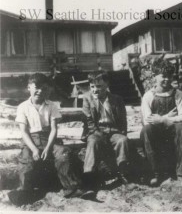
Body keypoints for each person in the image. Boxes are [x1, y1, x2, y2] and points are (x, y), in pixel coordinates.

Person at [12, 73, 90, 205]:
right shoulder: (23, 107)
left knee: (64, 153)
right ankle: (24, 191)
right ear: (28, 88)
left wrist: (48, 148)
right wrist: (34, 150)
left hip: (49, 139)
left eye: (43, 88)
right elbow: (24, 132)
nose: (40, 91)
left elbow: (54, 129)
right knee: (26, 160)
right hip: (30, 140)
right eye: (36, 87)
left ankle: (72, 188)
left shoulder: (51, 105)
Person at [140, 58, 182, 187]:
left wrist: (164, 119)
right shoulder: (148, 96)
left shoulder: (177, 94)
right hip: (156, 131)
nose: (167, 79)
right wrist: (167, 117)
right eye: (163, 76)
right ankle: (155, 174)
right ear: (154, 77)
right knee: (146, 129)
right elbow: (148, 119)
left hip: (173, 130)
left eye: (170, 76)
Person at [82, 71, 130, 191]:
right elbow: (88, 121)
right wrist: (97, 133)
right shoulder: (87, 98)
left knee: (122, 141)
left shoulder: (116, 99)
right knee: (92, 143)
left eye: (99, 86)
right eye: (92, 87)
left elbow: (122, 119)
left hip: (113, 130)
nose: (95, 90)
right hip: (96, 130)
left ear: (107, 85)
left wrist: (122, 132)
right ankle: (89, 177)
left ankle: (122, 173)